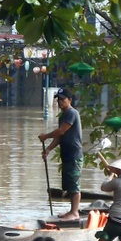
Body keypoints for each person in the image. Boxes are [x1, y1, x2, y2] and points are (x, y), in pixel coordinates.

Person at [38, 87, 83, 220]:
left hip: (74, 155)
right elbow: (59, 137)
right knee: (68, 184)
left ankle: (75, 212)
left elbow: (61, 131)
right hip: (66, 155)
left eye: (62, 99)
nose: (60, 102)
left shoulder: (72, 113)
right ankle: (71, 211)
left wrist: (46, 136)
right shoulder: (63, 116)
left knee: (74, 184)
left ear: (70, 100)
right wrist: (48, 149)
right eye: (58, 99)